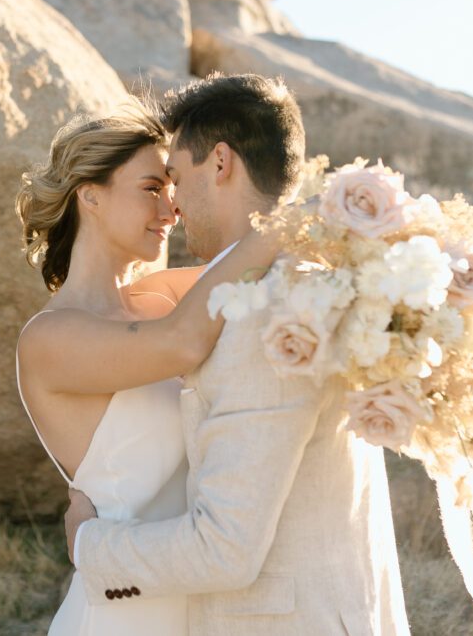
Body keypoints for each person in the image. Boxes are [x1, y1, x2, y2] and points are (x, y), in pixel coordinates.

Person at [63, 74, 411, 635]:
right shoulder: (318, 284)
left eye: (175, 176)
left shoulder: (262, 311)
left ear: (220, 162)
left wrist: (89, 543)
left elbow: (224, 549)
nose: (172, 204)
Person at [14, 97, 281, 635]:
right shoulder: (48, 339)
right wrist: (289, 220)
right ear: (89, 194)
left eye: (172, 188)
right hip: (122, 611)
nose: (171, 209)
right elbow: (183, 344)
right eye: (151, 189)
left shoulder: (160, 297)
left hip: (197, 596)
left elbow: (275, 270)